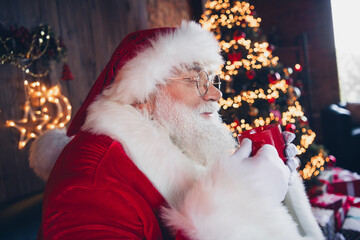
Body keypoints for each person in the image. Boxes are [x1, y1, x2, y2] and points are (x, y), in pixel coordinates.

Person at [30, 21, 323, 240]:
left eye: (213, 81)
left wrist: (278, 189)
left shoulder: (176, 140)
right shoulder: (89, 178)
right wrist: (240, 201)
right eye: (196, 81)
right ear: (143, 93)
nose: (215, 95)